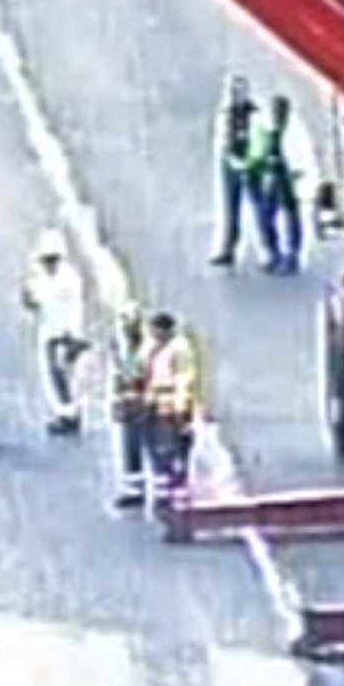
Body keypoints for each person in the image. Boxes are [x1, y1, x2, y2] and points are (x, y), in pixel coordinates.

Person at [20, 227, 88, 435]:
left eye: (53, 259)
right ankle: (63, 412)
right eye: (46, 260)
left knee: (66, 375)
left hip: (65, 333)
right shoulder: (40, 279)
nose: (49, 264)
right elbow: (34, 304)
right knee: (52, 375)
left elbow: (76, 307)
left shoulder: (69, 279)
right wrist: (27, 297)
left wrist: (73, 334)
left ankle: (71, 413)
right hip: (48, 332)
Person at [141, 311, 200, 508]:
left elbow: (184, 378)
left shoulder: (179, 349)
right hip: (154, 401)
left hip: (171, 402)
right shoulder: (150, 347)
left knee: (172, 447)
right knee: (156, 447)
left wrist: (180, 407)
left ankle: (177, 488)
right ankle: (163, 489)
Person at [209, 75, 260, 268]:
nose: (235, 95)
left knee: (260, 208)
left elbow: (257, 138)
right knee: (231, 209)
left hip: (250, 164)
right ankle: (228, 249)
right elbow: (224, 138)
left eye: (239, 91)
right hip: (230, 164)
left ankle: (270, 250)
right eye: (233, 92)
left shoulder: (254, 114)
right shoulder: (227, 113)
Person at [250, 94, 305, 274]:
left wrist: (297, 173)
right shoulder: (266, 130)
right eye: (276, 112)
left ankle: (292, 254)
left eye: (282, 112)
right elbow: (257, 152)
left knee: (290, 214)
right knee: (266, 214)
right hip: (270, 176)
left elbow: (300, 155)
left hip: (287, 176)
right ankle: (272, 253)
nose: (279, 116)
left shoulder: (294, 132)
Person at [107, 301, 151, 509]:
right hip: (131, 401)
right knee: (131, 445)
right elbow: (118, 372)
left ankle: (168, 491)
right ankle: (134, 488)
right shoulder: (119, 344)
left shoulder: (148, 345)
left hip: (151, 400)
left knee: (160, 445)